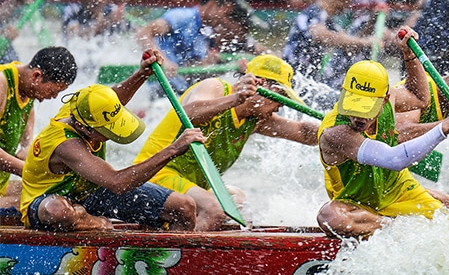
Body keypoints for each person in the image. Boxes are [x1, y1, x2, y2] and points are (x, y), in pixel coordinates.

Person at [316, 26, 449, 238]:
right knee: (330, 218)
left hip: (396, 189)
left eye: (366, 110)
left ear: (385, 98)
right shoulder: (336, 133)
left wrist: (409, 54)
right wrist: (445, 126)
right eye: (354, 107)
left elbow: (421, 98)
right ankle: (393, 228)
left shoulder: (391, 97)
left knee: (448, 211)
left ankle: (397, 224)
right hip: (356, 203)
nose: (358, 118)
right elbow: (394, 159)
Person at [19, 50, 207, 232]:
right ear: (85, 128)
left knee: (184, 207)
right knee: (59, 212)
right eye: (106, 130)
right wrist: (173, 149)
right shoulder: (66, 145)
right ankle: (94, 222)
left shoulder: (83, 104)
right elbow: (118, 182)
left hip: (89, 191)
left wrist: (142, 74)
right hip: (44, 200)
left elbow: (113, 98)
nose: (111, 134)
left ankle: (163, 258)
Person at [133, 54, 319, 229]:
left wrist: (337, 128)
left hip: (185, 188)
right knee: (215, 210)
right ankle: (177, 258)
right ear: (260, 85)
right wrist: (236, 99)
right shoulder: (215, 88)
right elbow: (190, 113)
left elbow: (302, 132)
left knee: (238, 201)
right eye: (282, 97)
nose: (280, 107)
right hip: (154, 175)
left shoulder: (255, 120)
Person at [0, 47, 77, 218]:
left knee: (62, 197)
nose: (53, 97)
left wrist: (28, 146)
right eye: (53, 91)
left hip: (2, 186)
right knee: (43, 208)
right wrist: (28, 170)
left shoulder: (26, 86)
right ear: (36, 75)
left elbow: (27, 123)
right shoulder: (2, 84)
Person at [282, 0, 389, 89]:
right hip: (290, 82)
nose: (350, 3)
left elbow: (350, 45)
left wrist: (372, 22)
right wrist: (367, 42)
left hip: (305, 83)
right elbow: (321, 35)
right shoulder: (314, 13)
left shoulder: (328, 22)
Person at [135, 0, 245, 94]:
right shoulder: (183, 16)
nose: (224, 20)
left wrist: (211, 63)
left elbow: (189, 67)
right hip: (157, 88)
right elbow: (143, 33)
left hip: (177, 91)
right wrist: (163, 61)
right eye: (225, 14)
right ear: (212, 4)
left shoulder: (206, 31)